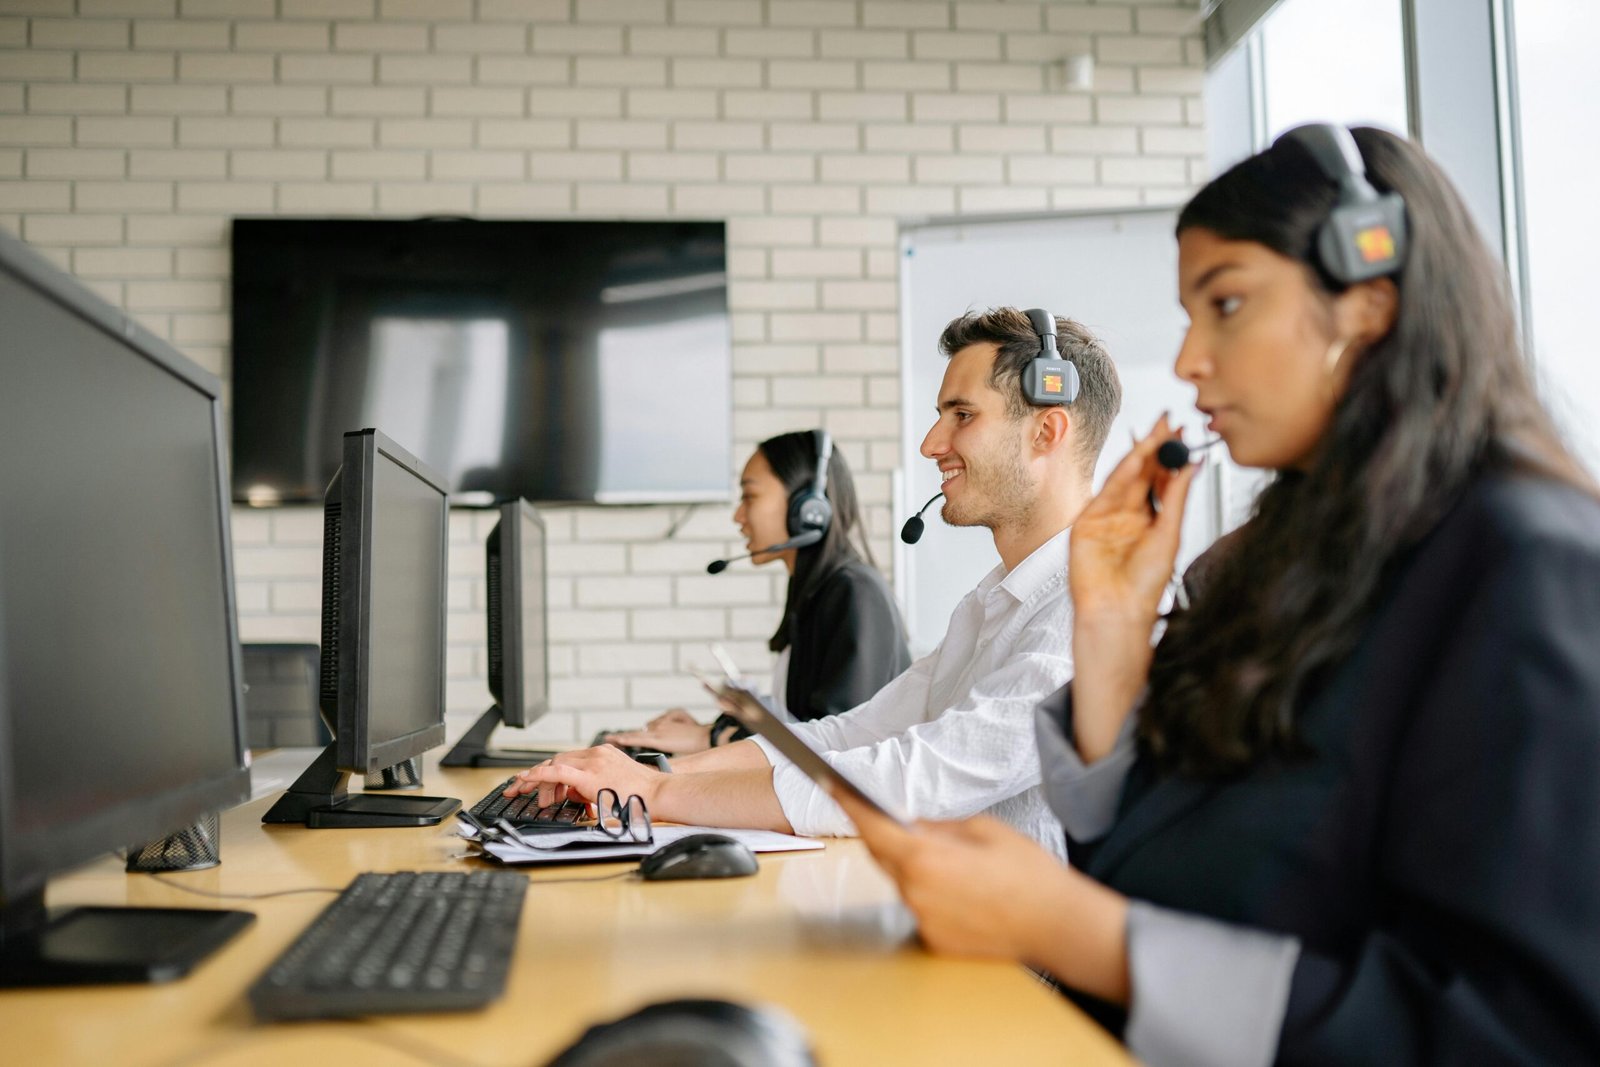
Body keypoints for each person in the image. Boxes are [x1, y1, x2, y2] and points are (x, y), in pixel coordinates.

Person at [838, 124, 1600, 1066]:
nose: (1191, 357)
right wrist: (1112, 629)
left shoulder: (1528, 567)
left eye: (1227, 303)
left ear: (1368, 296)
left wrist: (1085, 937)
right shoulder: (1265, 567)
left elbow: (1510, 1033)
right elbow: (1176, 871)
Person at [506, 309, 1123, 855]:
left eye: (961, 415)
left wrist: (659, 790)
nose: (931, 444)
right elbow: (846, 732)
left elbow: (914, 779)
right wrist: (656, 773)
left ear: (1047, 431)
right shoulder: (992, 604)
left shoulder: (1087, 611)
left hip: (1021, 970)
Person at [607, 430, 911, 755]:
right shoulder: (817, 590)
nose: (738, 516)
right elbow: (799, 721)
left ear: (808, 510)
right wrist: (716, 728)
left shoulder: (854, 592)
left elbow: (837, 748)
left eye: (749, 497)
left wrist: (712, 741)